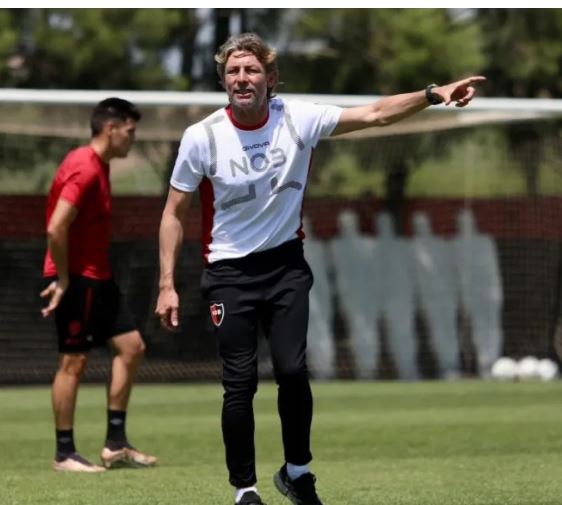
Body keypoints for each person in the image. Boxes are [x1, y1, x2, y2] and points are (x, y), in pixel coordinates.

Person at [155, 32, 485, 505]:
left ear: (271, 78)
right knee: (239, 384)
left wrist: (433, 94)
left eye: (251, 70)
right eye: (233, 71)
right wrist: (166, 284)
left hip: (285, 266)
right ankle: (244, 489)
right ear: (224, 80)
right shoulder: (201, 137)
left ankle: (297, 472)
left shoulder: (298, 119)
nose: (242, 78)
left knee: (292, 371)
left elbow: (374, 114)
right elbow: (173, 213)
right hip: (228, 273)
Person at [41, 97, 157, 472]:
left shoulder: (99, 165)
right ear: (111, 128)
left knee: (132, 347)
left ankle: (115, 444)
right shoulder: (84, 168)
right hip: (76, 278)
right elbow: (56, 227)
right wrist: (62, 278)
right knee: (73, 361)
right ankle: (64, 454)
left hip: (99, 277)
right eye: (130, 131)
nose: (132, 138)